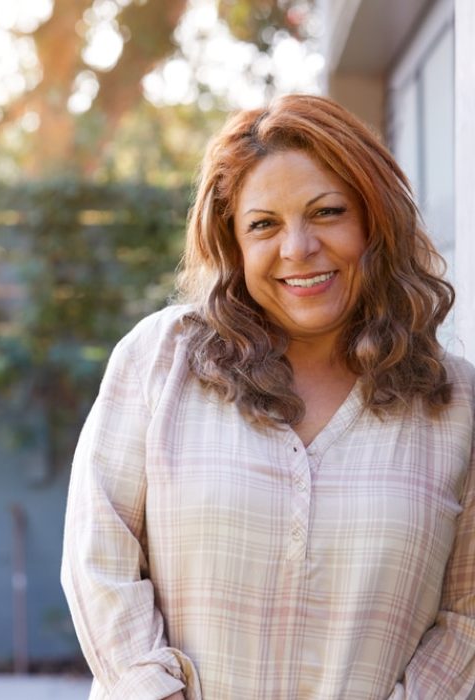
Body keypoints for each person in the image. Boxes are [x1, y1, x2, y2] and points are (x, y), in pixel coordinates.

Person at [60, 94, 475, 699]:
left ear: (375, 221)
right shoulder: (159, 360)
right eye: (264, 224)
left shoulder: (458, 404)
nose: (298, 249)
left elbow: (467, 615)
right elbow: (99, 558)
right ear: (233, 243)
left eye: (327, 212)